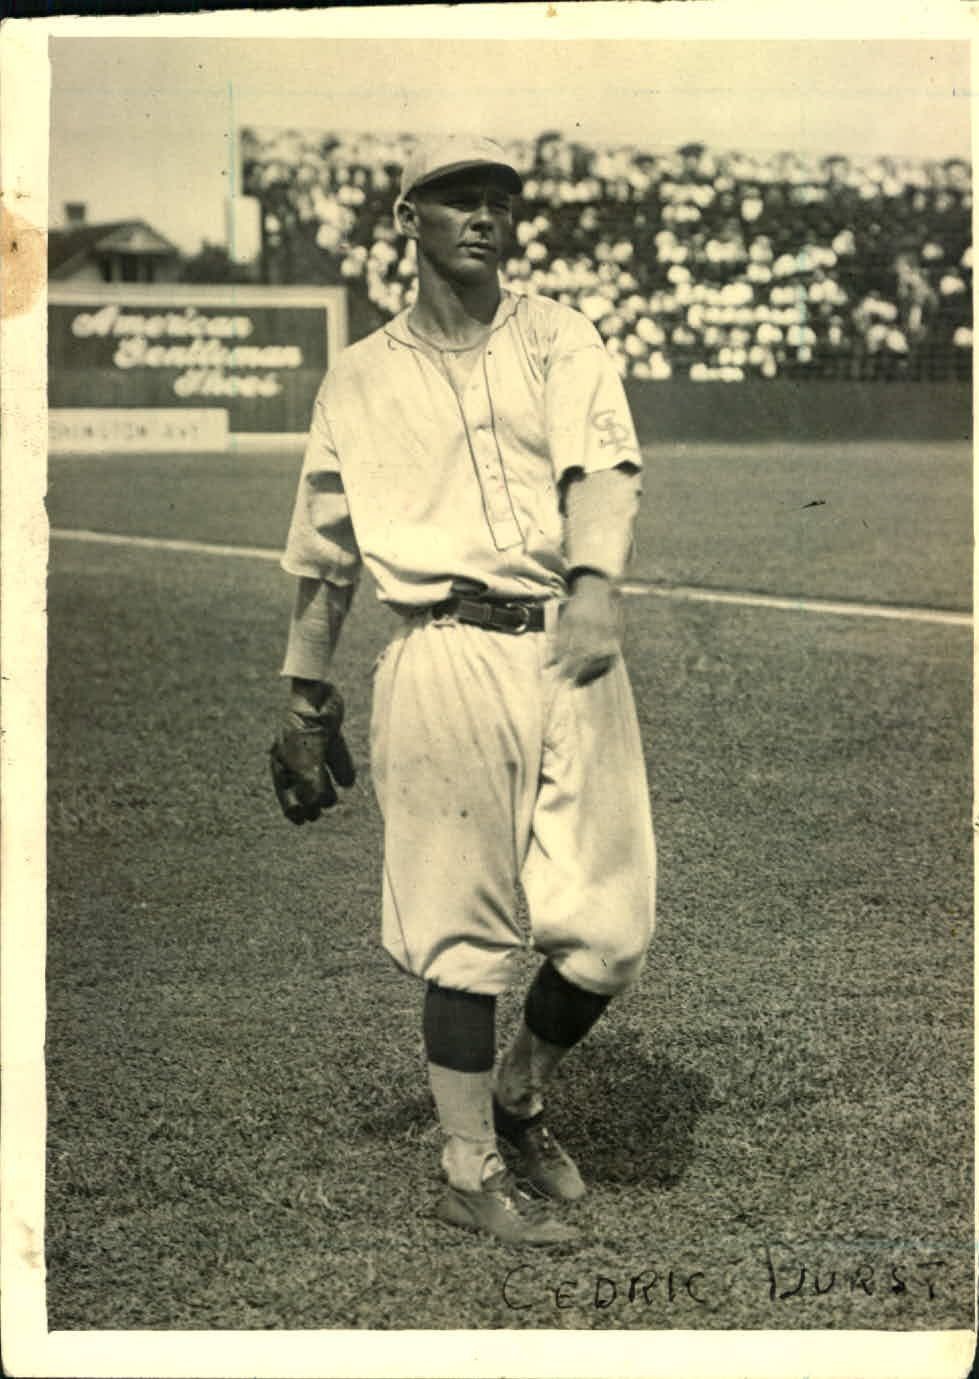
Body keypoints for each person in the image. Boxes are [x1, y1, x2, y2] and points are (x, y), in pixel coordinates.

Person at [270, 134, 656, 1247]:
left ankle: (519, 1091)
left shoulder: (558, 335)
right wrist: (303, 699)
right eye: (456, 200)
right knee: (461, 928)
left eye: (498, 200)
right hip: (438, 653)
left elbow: (602, 470)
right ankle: (467, 1163)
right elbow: (324, 554)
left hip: (565, 641)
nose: (484, 217)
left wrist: (594, 584)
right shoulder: (358, 376)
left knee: (611, 932)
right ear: (409, 219)